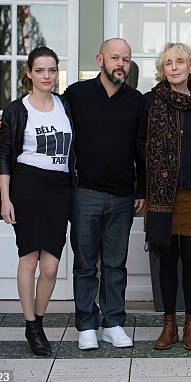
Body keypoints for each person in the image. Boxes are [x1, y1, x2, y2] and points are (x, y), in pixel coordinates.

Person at [64, 38, 147, 350]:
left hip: (123, 196)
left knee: (115, 264)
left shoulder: (136, 100)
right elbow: (44, 113)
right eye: (115, 58)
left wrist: (141, 188)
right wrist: (12, 117)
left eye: (126, 59)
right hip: (85, 193)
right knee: (85, 264)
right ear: (100, 59)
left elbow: (141, 148)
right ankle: (86, 325)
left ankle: (113, 323)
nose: (121, 64)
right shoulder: (76, 94)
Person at [0, 46, 74, 356]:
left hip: (59, 189)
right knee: (29, 259)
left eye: (52, 70)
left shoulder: (66, 105)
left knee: (52, 266)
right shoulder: (16, 110)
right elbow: (4, 157)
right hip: (27, 186)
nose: (46, 76)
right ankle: (32, 325)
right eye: (40, 70)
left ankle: (39, 319)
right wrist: (5, 199)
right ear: (29, 73)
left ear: (57, 73)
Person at [144, 43, 191, 351]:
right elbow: (137, 144)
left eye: (179, 61)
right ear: (162, 69)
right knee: (167, 260)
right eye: (168, 63)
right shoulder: (151, 102)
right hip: (162, 194)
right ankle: (169, 324)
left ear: (190, 66)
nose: (173, 67)